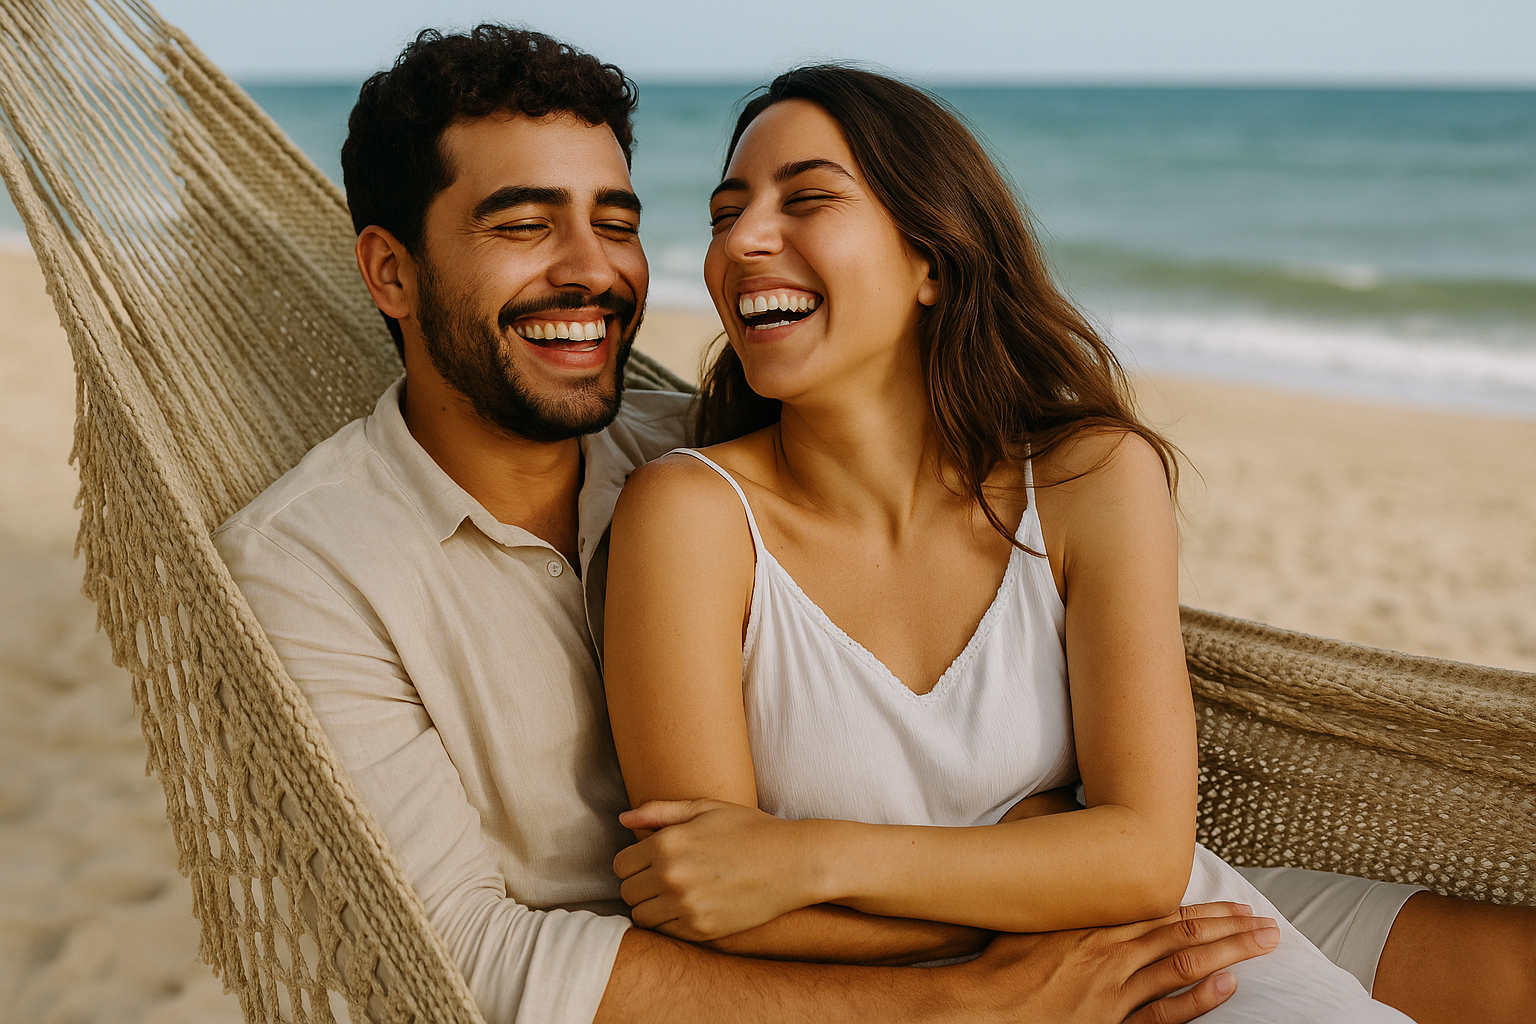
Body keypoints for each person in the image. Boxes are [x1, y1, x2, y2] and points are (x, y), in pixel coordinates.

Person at [211, 25, 1525, 1024]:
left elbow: (1132, 847)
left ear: (933, 255)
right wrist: (974, 977)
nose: (595, 273)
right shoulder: (320, 566)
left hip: (1109, 900)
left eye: (617, 223)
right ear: (389, 269)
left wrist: (976, 871)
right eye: (521, 225)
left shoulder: (684, 446)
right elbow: (478, 949)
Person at [599, 66, 1536, 1024]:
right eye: (725, 214)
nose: (742, 241)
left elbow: (1143, 859)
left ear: (933, 258)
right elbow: (708, 904)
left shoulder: (1091, 477)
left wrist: (811, 860)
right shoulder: (689, 517)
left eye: (807, 200)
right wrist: (1048, 885)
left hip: (1160, 957)